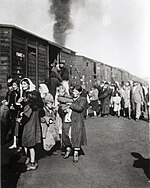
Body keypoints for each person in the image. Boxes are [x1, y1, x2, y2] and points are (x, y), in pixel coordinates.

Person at [18, 78, 44, 170]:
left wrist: (20, 120)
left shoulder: (29, 104)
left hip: (29, 125)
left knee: (29, 144)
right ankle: (30, 159)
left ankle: (32, 162)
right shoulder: (34, 103)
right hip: (34, 122)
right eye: (22, 84)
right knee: (29, 143)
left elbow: (26, 115)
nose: (23, 86)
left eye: (25, 84)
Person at [62, 85, 87, 163]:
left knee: (76, 135)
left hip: (77, 120)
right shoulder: (70, 98)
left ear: (80, 92)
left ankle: (76, 153)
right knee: (66, 134)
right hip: (68, 118)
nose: (74, 93)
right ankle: (68, 148)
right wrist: (64, 110)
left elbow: (80, 108)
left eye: (76, 91)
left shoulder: (82, 99)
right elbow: (63, 107)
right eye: (74, 91)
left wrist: (71, 105)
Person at [8, 79, 20, 149]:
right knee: (13, 127)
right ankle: (14, 143)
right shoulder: (12, 93)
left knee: (18, 127)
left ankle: (19, 144)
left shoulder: (20, 92)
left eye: (15, 85)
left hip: (18, 111)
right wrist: (11, 106)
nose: (13, 86)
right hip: (13, 112)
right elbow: (10, 102)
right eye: (13, 85)